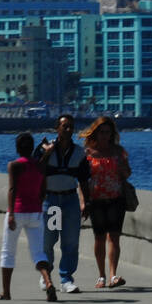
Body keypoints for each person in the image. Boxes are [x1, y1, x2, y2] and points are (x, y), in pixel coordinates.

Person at [0, 133, 58, 302]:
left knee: (8, 252)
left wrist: (11, 214)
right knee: (39, 253)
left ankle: (6, 293)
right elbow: (43, 191)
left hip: (18, 211)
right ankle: (48, 281)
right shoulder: (40, 166)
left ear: (17, 148)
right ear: (32, 148)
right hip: (35, 212)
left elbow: (12, 190)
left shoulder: (14, 165)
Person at [37, 113, 92, 293]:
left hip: (69, 201)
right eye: (64, 126)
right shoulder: (45, 148)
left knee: (70, 241)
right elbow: (36, 171)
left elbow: (84, 180)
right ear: (57, 128)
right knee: (49, 240)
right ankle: (47, 276)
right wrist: (47, 153)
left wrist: (86, 202)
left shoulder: (78, 153)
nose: (68, 130)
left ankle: (66, 279)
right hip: (52, 201)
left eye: (70, 126)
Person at [82, 116, 132, 288]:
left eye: (107, 133)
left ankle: (113, 274)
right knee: (99, 238)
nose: (105, 136)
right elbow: (81, 180)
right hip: (96, 199)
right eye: (101, 132)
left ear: (112, 134)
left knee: (114, 237)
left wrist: (122, 168)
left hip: (116, 198)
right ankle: (101, 275)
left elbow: (127, 173)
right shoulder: (88, 153)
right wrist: (83, 201)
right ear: (95, 133)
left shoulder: (118, 152)